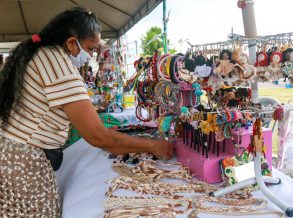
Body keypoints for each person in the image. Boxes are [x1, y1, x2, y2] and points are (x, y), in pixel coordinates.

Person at [0, 7, 173, 217]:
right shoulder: (61, 68)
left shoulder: (40, 54)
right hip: (24, 166)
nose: (91, 56)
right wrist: (155, 146)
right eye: (91, 49)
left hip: (11, 157)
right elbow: (99, 137)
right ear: (72, 43)